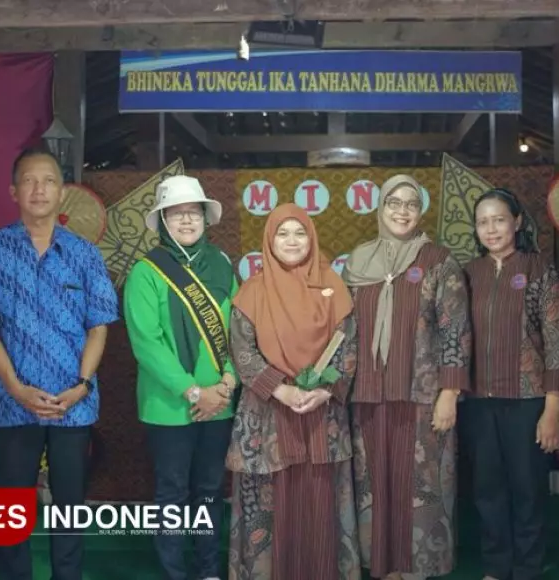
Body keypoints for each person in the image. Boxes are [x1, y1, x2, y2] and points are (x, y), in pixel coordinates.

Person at [0, 146, 119, 580]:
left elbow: (99, 326)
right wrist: (15, 386)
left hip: (74, 403)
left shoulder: (84, 254)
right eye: (29, 180)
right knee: (10, 511)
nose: (39, 189)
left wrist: (82, 384)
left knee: (69, 510)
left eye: (48, 180)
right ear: (13, 190)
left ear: (63, 192)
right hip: (15, 403)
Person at [342, 174, 472, 580]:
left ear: (421, 211)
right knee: (375, 483)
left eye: (411, 204)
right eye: (394, 203)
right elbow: (343, 332)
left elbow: (454, 328)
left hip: (422, 393)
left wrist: (449, 392)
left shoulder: (437, 259)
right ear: (380, 209)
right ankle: (382, 565)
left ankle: (418, 568)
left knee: (421, 484)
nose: (402, 211)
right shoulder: (358, 260)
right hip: (367, 394)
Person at [226, 204, 361, 580]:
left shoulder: (334, 286)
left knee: (318, 503)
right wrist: (280, 390)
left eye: (299, 232)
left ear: (312, 238)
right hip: (267, 416)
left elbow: (348, 347)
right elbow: (242, 352)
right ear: (269, 240)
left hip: (322, 414)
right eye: (282, 233)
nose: (291, 241)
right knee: (271, 506)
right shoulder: (252, 292)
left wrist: (326, 389)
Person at [123, 175, 238, 580]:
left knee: (209, 492)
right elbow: (147, 343)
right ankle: (175, 573)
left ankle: (208, 570)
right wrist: (194, 391)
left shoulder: (223, 265)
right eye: (177, 213)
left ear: (206, 218)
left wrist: (226, 384)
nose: (187, 220)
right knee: (172, 494)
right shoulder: (146, 271)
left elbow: (239, 330)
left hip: (219, 405)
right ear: (163, 220)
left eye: (194, 212)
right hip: (169, 406)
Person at [462, 188, 559, 580]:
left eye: (499, 219)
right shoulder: (468, 274)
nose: (491, 229)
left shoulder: (539, 269)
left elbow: (557, 340)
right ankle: (495, 566)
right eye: (483, 221)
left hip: (528, 400)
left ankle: (527, 569)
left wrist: (552, 407)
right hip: (477, 402)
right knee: (487, 491)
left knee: (528, 489)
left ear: (517, 222)